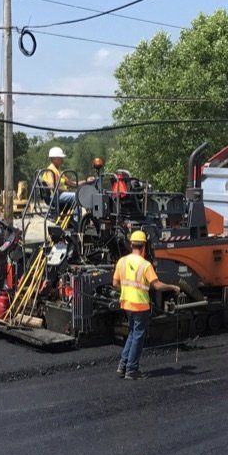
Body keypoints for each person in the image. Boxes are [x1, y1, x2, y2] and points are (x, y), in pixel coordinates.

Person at [112, 230, 181, 380]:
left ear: (131, 245)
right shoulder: (145, 265)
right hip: (140, 305)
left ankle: (122, 366)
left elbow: (115, 283)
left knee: (132, 333)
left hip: (127, 304)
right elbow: (157, 286)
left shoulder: (121, 261)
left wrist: (127, 290)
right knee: (138, 336)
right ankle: (131, 369)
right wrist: (172, 287)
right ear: (144, 246)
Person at [41, 146, 95, 216]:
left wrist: (86, 181)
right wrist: (64, 189)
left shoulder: (57, 171)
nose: (62, 160)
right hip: (55, 196)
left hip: (60, 195)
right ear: (54, 158)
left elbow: (71, 183)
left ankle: (83, 216)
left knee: (78, 195)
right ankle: (77, 220)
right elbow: (52, 186)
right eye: (60, 158)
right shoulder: (50, 170)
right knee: (76, 197)